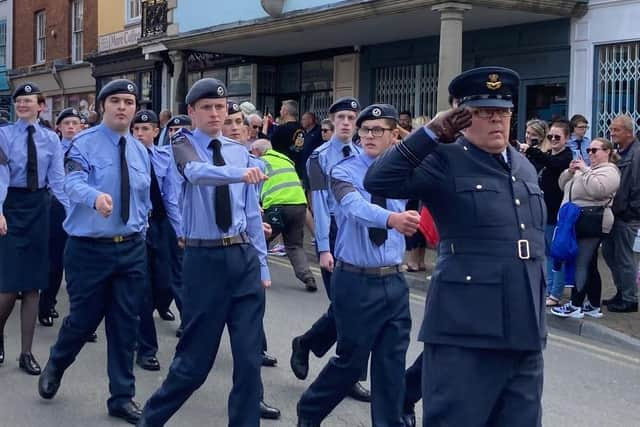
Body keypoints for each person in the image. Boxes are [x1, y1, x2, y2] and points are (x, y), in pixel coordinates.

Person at [365, 66, 547, 427]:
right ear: (462, 116)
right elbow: (378, 178)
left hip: (524, 332)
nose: (496, 119)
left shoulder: (523, 166)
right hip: (465, 332)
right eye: (483, 112)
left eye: (503, 112)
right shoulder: (444, 159)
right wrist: (429, 133)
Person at [137, 78, 270, 427]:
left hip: (242, 258)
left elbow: (252, 214)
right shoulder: (183, 145)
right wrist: (241, 174)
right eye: (207, 107)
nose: (215, 114)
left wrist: (263, 265)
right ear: (192, 112)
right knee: (193, 364)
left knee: (249, 359)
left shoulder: (239, 151)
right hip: (204, 260)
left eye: (221, 107)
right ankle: (150, 419)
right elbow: (196, 175)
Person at [297, 104, 417, 427]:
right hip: (355, 279)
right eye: (365, 129)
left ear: (394, 135)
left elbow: (430, 153)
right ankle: (309, 411)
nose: (368, 135)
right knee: (351, 363)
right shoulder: (343, 169)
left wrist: (409, 138)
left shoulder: (404, 169)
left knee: (391, 366)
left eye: (379, 130)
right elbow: (354, 207)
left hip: (394, 280)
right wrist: (392, 219)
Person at [38, 79, 150, 424]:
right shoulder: (82, 145)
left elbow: (144, 197)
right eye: (115, 100)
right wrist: (95, 198)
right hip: (89, 248)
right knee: (83, 320)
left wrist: (141, 228)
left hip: (130, 248)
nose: (122, 107)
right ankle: (57, 362)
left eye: (128, 102)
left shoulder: (140, 149)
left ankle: (121, 395)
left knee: (125, 323)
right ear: (102, 106)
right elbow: (72, 182)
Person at [290, 97, 371, 402]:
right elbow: (320, 206)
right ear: (332, 122)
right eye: (342, 118)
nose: (347, 123)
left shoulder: (365, 154)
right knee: (346, 306)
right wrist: (324, 248)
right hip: (335, 232)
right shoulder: (319, 158)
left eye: (352, 117)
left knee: (356, 309)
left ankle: (311, 345)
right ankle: (322, 354)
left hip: (360, 230)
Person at [0, 83, 68, 375]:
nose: (23, 105)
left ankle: (26, 353)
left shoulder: (51, 139)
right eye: (19, 102)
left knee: (33, 286)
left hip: (40, 207)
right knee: (7, 286)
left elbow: (58, 180)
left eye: (29, 101)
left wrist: (75, 213)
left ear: (41, 106)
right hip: (11, 206)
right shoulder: (2, 135)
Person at [131, 110, 183, 372]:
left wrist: (179, 230)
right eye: (136, 130)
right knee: (143, 288)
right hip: (137, 227)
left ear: (155, 132)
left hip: (161, 225)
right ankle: (145, 348)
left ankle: (147, 314)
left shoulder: (164, 157)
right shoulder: (126, 156)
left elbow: (171, 194)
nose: (140, 134)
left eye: (145, 129)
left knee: (166, 282)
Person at [551, 138, 620, 318]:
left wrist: (585, 170)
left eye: (594, 150)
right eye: (588, 150)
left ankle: (575, 304)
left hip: (593, 222)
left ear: (607, 152)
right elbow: (563, 186)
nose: (590, 153)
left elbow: (599, 189)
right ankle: (594, 305)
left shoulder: (609, 171)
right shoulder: (588, 170)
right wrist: (569, 172)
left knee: (581, 262)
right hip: (577, 221)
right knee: (589, 264)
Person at [251, 138, 318, 292]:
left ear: (257, 151)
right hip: (299, 205)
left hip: (277, 206)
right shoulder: (286, 160)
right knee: (294, 245)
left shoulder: (259, 162)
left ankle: (256, 275)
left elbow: (253, 188)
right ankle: (308, 277)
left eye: (252, 152)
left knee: (260, 239)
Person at [38, 108, 83, 328]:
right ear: (59, 127)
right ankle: (46, 305)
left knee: (79, 266)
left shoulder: (86, 149)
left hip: (82, 208)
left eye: (75, 123)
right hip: (57, 208)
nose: (71, 127)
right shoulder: (53, 148)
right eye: (67, 124)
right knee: (54, 262)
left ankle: (81, 318)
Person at [520, 120, 573, 306]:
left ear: (566, 138)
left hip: (556, 212)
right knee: (545, 253)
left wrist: (531, 151)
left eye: (557, 137)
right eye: (550, 136)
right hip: (542, 210)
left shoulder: (566, 157)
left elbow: (554, 164)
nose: (553, 140)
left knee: (556, 254)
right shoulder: (549, 153)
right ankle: (548, 288)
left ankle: (555, 293)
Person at [602, 114, 640, 312]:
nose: (612, 133)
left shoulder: (636, 154)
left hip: (626, 216)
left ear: (628, 132)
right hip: (614, 214)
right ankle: (621, 291)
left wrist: (629, 212)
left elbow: (635, 187)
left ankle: (630, 299)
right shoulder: (620, 152)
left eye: (616, 130)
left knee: (624, 258)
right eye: (612, 128)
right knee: (609, 253)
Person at [271, 100, 306, 179]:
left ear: (285, 112)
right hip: (299, 171)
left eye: (281, 109)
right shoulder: (302, 129)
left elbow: (271, 148)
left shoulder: (281, 130)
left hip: (283, 170)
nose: (280, 112)